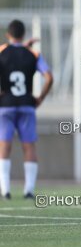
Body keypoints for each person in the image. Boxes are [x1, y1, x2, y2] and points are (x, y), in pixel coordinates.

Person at [0, 19, 53, 199]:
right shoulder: (34, 54)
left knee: (4, 146)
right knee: (29, 146)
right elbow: (49, 77)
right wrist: (40, 98)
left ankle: (5, 189)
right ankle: (28, 189)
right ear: (23, 35)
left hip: (5, 105)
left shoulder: (1, 51)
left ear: (8, 34)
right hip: (26, 104)